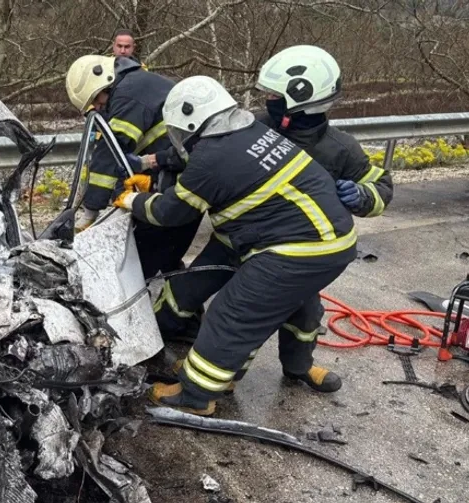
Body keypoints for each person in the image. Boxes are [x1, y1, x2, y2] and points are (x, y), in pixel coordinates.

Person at [114, 75, 357, 416]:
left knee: (233, 313)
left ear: (192, 123)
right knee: (285, 307)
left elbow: (170, 212)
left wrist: (133, 200)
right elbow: (202, 160)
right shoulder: (251, 131)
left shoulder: (212, 158)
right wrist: (156, 168)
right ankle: (222, 372)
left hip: (295, 249)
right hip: (326, 242)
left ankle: (195, 396)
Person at [151, 45, 394, 369]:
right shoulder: (253, 126)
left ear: (300, 99)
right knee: (184, 290)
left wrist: (363, 197)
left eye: (273, 95)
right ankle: (153, 342)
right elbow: (201, 151)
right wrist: (156, 160)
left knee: (304, 312)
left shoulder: (340, 149)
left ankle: (299, 368)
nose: (267, 100)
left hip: (290, 251)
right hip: (232, 240)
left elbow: (381, 186)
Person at [65, 54, 201, 279]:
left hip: (184, 184)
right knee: (167, 263)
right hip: (180, 174)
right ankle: (182, 309)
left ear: (103, 81)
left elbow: (110, 150)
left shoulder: (128, 96)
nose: (97, 107)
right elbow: (123, 156)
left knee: (134, 270)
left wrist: (90, 211)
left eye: (96, 100)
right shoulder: (135, 84)